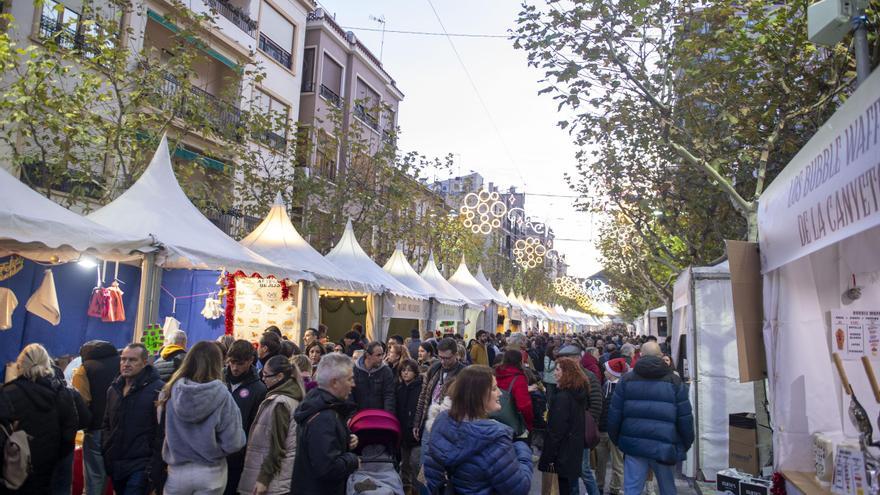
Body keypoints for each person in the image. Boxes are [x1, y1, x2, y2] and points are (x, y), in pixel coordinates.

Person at [424, 365, 533, 494]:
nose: (500, 393)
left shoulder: (441, 426)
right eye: (493, 389)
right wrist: (522, 449)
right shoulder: (495, 440)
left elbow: (432, 480)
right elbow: (519, 489)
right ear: (477, 396)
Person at [159, 341, 246, 494]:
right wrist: (214, 449)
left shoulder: (169, 392)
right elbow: (234, 442)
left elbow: (161, 426)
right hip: (211, 471)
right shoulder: (223, 395)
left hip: (177, 470)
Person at [607, 342, 694, 495]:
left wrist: (620, 441)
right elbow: (685, 418)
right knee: (668, 490)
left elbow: (614, 416)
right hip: (665, 446)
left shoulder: (626, 380)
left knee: (632, 490)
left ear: (640, 355)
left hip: (634, 445)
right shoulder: (674, 381)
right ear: (661, 356)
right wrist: (684, 444)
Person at [0, 344, 78, 494]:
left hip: (14, 471)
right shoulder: (62, 394)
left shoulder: (7, 393)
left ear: (20, 364)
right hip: (48, 471)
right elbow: (69, 435)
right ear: (47, 363)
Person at [290, 353, 360, 495]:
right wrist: (353, 460)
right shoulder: (323, 417)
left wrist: (346, 439)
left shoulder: (324, 407)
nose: (353, 384)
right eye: (350, 379)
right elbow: (327, 467)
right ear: (334, 382)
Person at [102, 343, 164, 495]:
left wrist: (153, 465)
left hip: (141, 465)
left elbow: (161, 430)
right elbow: (106, 423)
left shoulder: (158, 390)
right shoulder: (113, 389)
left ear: (144, 362)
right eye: (123, 359)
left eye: (132, 360)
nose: (126, 364)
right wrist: (106, 449)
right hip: (116, 463)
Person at [238, 356, 304, 494]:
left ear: (279, 376)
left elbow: (277, 446)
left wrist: (263, 479)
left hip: (272, 482)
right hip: (278, 479)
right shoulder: (288, 399)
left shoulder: (280, 403)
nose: (263, 379)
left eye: (266, 375)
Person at [71, 339, 120, 495]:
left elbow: (81, 402)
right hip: (122, 430)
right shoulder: (124, 363)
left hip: (96, 430)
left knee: (94, 481)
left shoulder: (84, 369)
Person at [538, 357, 592, 495]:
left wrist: (548, 458)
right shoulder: (577, 392)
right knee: (571, 486)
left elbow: (556, 432)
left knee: (564, 488)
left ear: (566, 373)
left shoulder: (563, 398)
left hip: (562, 453)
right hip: (573, 450)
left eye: (557, 370)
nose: (554, 373)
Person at [224, 340, 267, 495]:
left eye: (240, 363)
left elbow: (255, 427)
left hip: (238, 458)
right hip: (214, 454)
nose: (235, 368)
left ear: (250, 361)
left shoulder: (258, 389)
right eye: (232, 362)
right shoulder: (219, 380)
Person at [413, 338, 466, 442]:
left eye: (447, 358)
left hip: (450, 427)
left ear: (455, 355)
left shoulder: (463, 373)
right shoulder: (434, 368)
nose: (443, 361)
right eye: (440, 357)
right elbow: (423, 396)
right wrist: (417, 422)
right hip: (429, 423)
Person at [597, 358, 628, 495]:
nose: (604, 372)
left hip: (614, 432)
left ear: (612, 372)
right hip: (603, 430)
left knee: (616, 463)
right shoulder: (606, 385)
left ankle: (614, 489)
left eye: (606, 369)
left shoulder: (622, 388)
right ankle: (600, 487)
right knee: (601, 462)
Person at [395, 359, 423, 495]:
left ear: (415, 372)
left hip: (416, 433)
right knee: (404, 464)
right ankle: (405, 489)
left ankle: (417, 489)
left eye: (409, 370)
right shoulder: (399, 389)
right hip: (403, 433)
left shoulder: (421, 388)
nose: (405, 373)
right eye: (403, 370)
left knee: (416, 463)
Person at [494, 349, 534, 435]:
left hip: (493, 418)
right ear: (520, 361)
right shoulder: (519, 378)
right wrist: (529, 425)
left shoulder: (495, 372)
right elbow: (524, 405)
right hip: (511, 423)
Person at [352, 341, 395, 412]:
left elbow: (389, 395)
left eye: (382, 354)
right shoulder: (354, 370)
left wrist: (387, 416)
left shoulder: (386, 371)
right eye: (378, 355)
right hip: (359, 416)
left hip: (379, 416)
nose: (381, 358)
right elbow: (350, 395)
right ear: (368, 355)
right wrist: (351, 415)